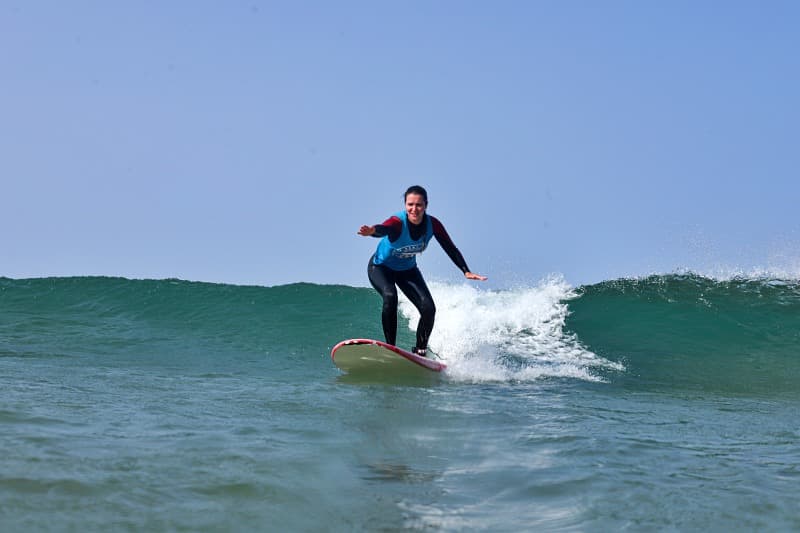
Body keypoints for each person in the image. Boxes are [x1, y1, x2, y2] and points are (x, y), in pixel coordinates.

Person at [358, 185, 487, 357]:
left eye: (418, 205)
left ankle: (420, 351)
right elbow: (384, 228)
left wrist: (465, 270)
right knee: (390, 295)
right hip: (381, 267)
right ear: (405, 205)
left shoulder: (433, 225)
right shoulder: (398, 222)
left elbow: (449, 246)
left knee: (428, 309)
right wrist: (373, 231)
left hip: (407, 270)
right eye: (410, 204)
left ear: (426, 205)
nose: (414, 209)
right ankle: (390, 347)